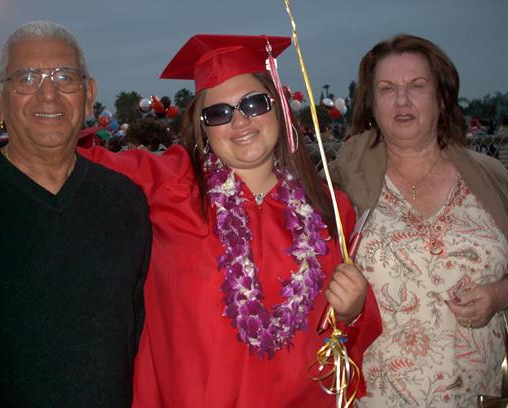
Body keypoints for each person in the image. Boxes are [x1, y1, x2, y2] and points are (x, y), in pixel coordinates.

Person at [79, 34, 381, 407]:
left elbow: (347, 339)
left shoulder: (330, 210)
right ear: (202, 128)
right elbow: (68, 161)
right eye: (218, 113)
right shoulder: (171, 188)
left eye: (254, 103)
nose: (240, 121)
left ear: (280, 108)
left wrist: (353, 311)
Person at [0, 21, 152, 406]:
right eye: (27, 77)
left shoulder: (126, 204)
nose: (48, 94)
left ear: (88, 94)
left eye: (65, 77)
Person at [330, 34, 508, 407]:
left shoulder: (492, 177)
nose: (402, 100)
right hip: (375, 398)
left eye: (417, 86)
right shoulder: (341, 183)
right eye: (387, 88)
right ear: (372, 104)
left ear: (441, 98)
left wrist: (497, 295)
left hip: (479, 395)